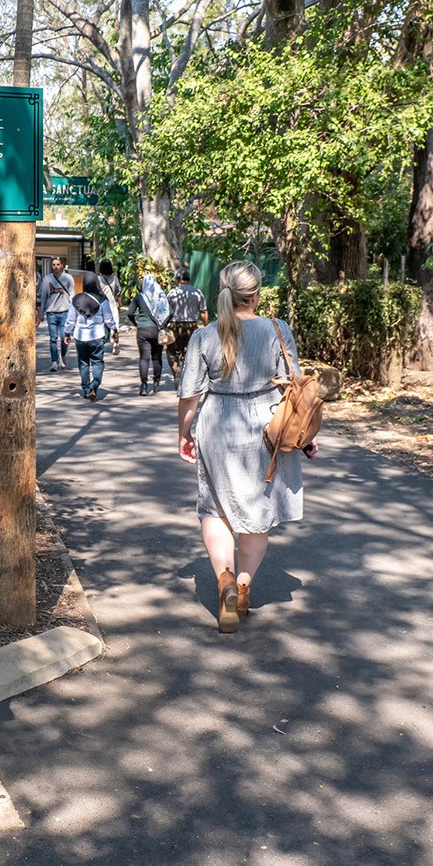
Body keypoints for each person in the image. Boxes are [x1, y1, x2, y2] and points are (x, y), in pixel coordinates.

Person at [177, 260, 312, 633]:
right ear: (255, 295)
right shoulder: (276, 330)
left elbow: (189, 397)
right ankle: (243, 584)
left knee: (214, 508)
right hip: (265, 429)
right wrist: (307, 438)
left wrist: (184, 435)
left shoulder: (204, 336)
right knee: (256, 511)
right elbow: (295, 389)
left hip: (217, 423)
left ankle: (224, 579)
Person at [64, 271, 118, 401]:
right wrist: (114, 330)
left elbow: (71, 320)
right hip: (97, 336)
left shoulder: (76, 299)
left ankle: (87, 389)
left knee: (83, 364)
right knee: (97, 362)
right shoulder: (102, 299)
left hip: (80, 337)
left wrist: (67, 333)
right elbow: (109, 318)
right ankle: (95, 384)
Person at [126, 273, 171, 395]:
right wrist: (163, 325)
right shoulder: (162, 297)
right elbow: (170, 312)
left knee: (144, 358)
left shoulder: (139, 297)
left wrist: (136, 323)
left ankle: (144, 386)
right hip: (157, 330)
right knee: (157, 357)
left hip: (143, 330)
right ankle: (156, 383)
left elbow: (130, 313)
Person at [163, 266, 208, 385]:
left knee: (171, 351)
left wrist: (164, 326)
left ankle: (176, 369)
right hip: (191, 326)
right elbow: (203, 312)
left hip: (175, 326)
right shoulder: (197, 292)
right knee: (191, 352)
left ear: (178, 280)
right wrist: (206, 327)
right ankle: (188, 377)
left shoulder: (172, 293)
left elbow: (166, 312)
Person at [38, 257, 74, 371]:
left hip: (65, 312)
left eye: (58, 264)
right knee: (53, 338)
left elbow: (72, 295)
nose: (56, 267)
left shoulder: (68, 278)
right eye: (53, 265)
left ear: (62, 265)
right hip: (51, 313)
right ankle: (54, 361)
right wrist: (41, 313)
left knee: (64, 336)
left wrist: (73, 312)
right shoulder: (46, 279)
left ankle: (63, 355)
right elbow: (43, 296)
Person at [95, 259, 122, 354]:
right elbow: (118, 292)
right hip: (112, 304)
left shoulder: (98, 279)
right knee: (115, 325)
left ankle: (100, 344)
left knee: (101, 325)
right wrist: (120, 302)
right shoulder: (115, 278)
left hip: (101, 304)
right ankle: (116, 343)